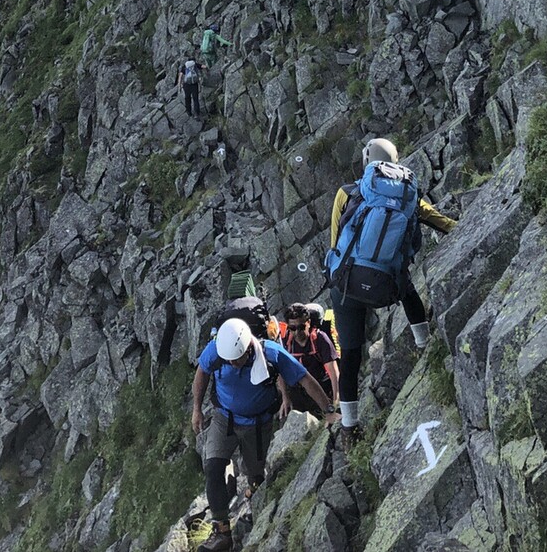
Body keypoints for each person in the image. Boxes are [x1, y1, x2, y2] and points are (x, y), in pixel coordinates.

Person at [328, 137, 455, 445]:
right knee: (408, 290)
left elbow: (335, 245)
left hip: (348, 287)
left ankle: (350, 427)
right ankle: (424, 344)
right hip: (388, 286)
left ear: (366, 160)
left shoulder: (347, 193)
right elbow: (438, 220)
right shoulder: (405, 197)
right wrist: (460, 227)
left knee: (351, 356)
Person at [191, 318, 332, 552]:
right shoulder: (218, 349)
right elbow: (202, 373)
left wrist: (328, 411)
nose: (233, 363)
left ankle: (256, 508)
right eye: (229, 360)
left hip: (257, 423)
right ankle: (222, 532)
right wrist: (197, 409)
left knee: (255, 475)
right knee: (213, 467)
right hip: (223, 417)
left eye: (236, 359)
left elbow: (305, 378)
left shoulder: (271, 353)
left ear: (248, 348)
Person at [282, 302, 339, 419]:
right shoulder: (285, 342)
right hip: (298, 393)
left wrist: (336, 400)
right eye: (292, 328)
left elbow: (334, 372)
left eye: (301, 327)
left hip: (323, 389)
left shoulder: (320, 339)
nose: (297, 332)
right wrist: (285, 398)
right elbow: (280, 371)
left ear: (308, 323)